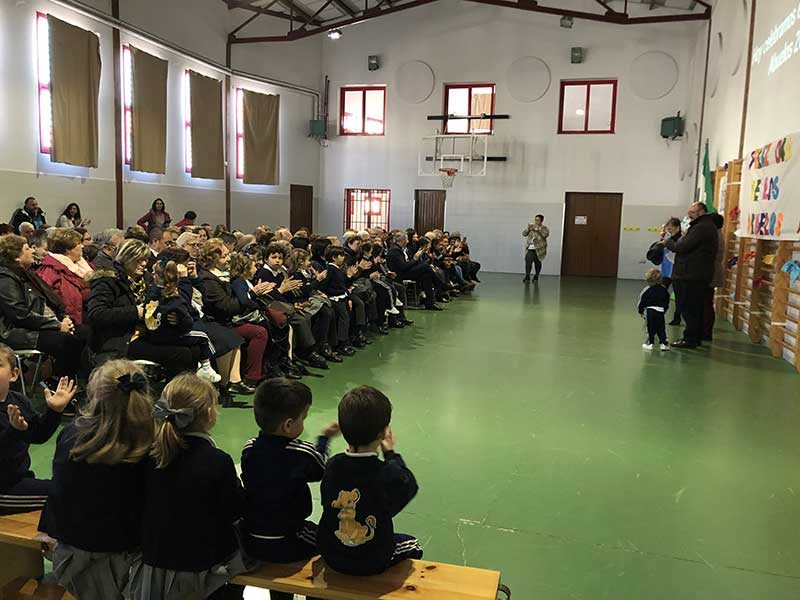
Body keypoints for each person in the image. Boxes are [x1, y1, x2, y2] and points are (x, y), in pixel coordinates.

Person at [39, 360, 153, 599]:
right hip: (128, 559)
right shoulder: (152, 440)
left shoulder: (71, 434)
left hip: (71, 553)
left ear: (94, 395)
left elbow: (60, 495)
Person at [130, 374, 249, 600]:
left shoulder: (148, 455)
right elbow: (235, 510)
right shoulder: (217, 461)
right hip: (200, 568)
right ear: (210, 415)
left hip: (153, 563)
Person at [240, 379, 339, 595]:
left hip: (250, 539)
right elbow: (320, 468)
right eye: (303, 418)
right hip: (287, 539)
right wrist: (324, 439)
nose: (304, 422)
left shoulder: (249, 449)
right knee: (330, 542)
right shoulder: (301, 453)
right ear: (288, 425)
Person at [318, 386, 422, 576]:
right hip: (373, 560)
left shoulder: (332, 465)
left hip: (331, 553)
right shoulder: (387, 473)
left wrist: (324, 439)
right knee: (414, 545)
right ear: (383, 434)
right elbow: (409, 485)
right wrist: (390, 453)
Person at [86, 239, 199, 375]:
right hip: (121, 340)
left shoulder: (147, 280)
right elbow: (96, 314)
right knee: (182, 354)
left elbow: (165, 303)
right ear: (126, 258)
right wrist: (135, 312)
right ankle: (174, 393)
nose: (144, 264)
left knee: (194, 348)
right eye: (139, 260)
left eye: (145, 259)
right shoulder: (107, 281)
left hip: (149, 333)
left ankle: (181, 392)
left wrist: (173, 316)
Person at [0, 344, 75, 514]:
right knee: (66, 493)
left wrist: (54, 411)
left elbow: (38, 435)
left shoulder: (18, 400)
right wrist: (14, 431)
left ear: (13, 374)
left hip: (17, 479)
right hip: (3, 488)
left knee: (68, 486)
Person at [0, 235, 83, 379]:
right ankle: (60, 385)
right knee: (68, 342)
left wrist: (64, 318)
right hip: (16, 332)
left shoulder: (27, 274)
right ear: (16, 257)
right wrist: (57, 325)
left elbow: (54, 302)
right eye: (27, 249)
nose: (32, 251)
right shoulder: (5, 279)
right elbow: (19, 315)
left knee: (85, 332)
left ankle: (72, 382)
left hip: (38, 325)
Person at [662, 202, 719, 349]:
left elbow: (682, 246)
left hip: (691, 274)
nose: (689, 215)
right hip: (696, 273)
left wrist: (667, 243)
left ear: (700, 211)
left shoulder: (701, 227)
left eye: (692, 211)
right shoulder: (705, 226)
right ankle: (696, 336)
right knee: (695, 307)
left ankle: (690, 338)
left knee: (688, 307)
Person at [38, 228, 93, 326]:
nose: (82, 246)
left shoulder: (85, 264)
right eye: (78, 244)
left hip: (89, 314)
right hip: (71, 322)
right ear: (68, 249)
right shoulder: (51, 271)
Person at [386, 231, 441, 311]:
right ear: (403, 240)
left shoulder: (402, 249)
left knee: (426, 275)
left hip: (406, 271)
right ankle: (440, 285)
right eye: (407, 239)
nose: (408, 241)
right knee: (426, 267)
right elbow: (403, 266)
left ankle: (430, 303)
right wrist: (415, 258)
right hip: (400, 275)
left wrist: (417, 258)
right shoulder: (395, 250)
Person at [647, 218, 683, 326]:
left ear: (677, 228)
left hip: (677, 271)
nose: (669, 230)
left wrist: (667, 242)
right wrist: (662, 239)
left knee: (678, 296)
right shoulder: (667, 237)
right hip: (666, 270)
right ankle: (657, 315)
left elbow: (678, 248)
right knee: (660, 293)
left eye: (671, 228)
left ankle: (677, 318)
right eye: (668, 228)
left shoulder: (682, 239)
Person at [704, 213, 725, 342]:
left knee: (706, 303)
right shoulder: (717, 234)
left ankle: (706, 332)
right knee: (706, 302)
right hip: (712, 270)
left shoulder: (715, 235)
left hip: (710, 271)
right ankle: (705, 331)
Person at [638, 269, 670, 351]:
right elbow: (667, 301)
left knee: (650, 327)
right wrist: (665, 309)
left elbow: (643, 301)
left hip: (650, 311)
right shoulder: (664, 290)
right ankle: (663, 344)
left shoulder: (648, 291)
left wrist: (640, 311)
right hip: (660, 311)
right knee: (661, 328)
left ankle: (650, 343)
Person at [523, 214, 549, 283]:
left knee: (537, 263)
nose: (536, 221)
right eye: (535, 220)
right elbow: (524, 234)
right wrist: (528, 229)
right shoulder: (532, 227)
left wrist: (537, 230)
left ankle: (536, 276)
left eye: (538, 220)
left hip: (539, 249)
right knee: (528, 261)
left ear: (541, 221)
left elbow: (545, 235)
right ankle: (527, 276)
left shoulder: (544, 228)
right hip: (530, 248)